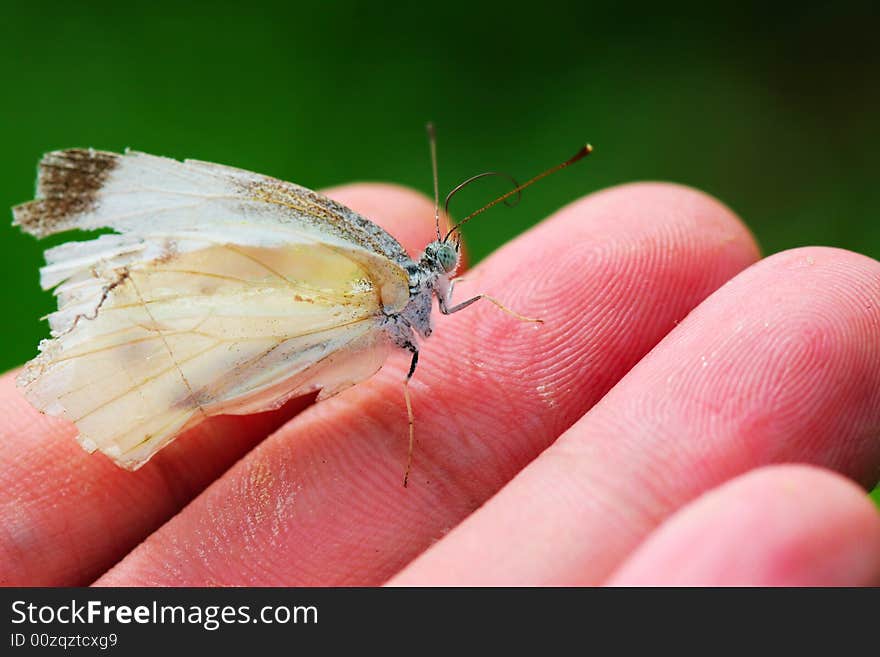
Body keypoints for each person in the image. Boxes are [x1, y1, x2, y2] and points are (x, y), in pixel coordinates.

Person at [2, 182, 879, 586]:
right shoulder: (382, 276)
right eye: (446, 262)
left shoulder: (402, 288)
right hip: (178, 339)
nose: (448, 267)